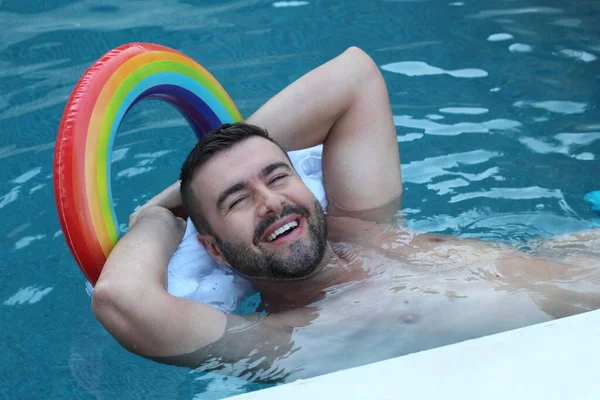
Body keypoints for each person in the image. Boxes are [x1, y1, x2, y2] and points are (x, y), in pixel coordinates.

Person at [92, 47, 600, 382]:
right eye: (237, 201)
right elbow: (121, 301)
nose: (270, 202)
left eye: (276, 176)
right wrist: (159, 217)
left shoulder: (364, 224)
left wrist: (181, 194)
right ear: (213, 249)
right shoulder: (291, 340)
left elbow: (354, 75)